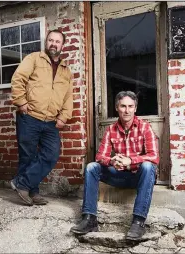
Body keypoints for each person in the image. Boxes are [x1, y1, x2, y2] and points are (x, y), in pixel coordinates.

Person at [70, 91, 159, 241]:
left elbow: (154, 156)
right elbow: (100, 157)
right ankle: (89, 218)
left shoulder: (145, 127)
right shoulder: (111, 129)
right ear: (117, 107)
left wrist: (130, 160)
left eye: (130, 106)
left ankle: (138, 222)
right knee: (92, 167)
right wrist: (111, 161)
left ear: (135, 108)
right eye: (123, 106)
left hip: (139, 177)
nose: (127, 110)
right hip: (119, 175)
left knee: (149, 167)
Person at [10, 29, 73, 206]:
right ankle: (32, 192)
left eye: (57, 41)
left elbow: (68, 97)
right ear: (46, 42)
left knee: (51, 155)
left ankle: (21, 183)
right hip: (29, 117)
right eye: (51, 40)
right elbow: (18, 78)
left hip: (51, 121)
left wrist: (63, 117)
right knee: (28, 155)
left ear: (62, 45)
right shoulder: (34, 59)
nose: (53, 44)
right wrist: (21, 102)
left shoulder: (65, 71)